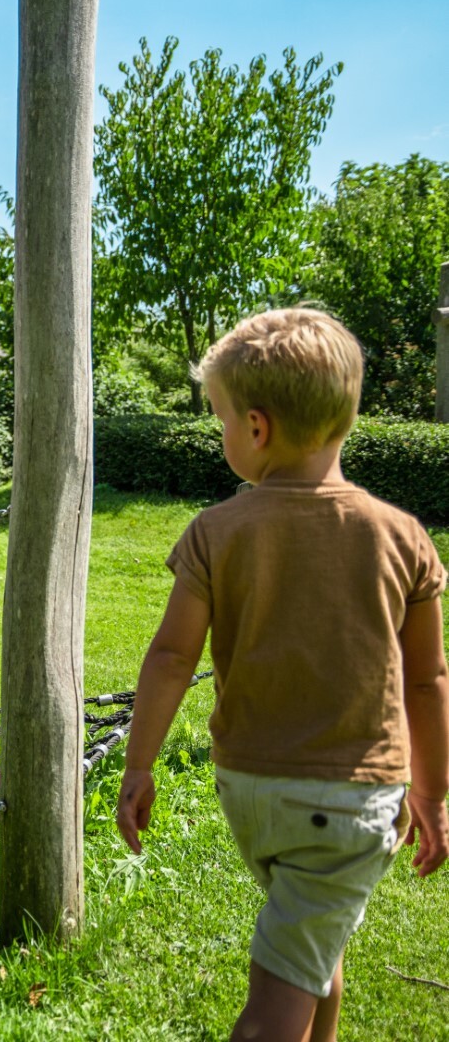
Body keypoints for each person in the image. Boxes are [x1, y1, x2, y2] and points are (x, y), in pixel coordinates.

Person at [115, 308, 448, 1042]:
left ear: (257, 428)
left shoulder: (215, 532)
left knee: (312, 953)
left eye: (222, 419)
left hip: (252, 792)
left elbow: (171, 657)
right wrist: (431, 790)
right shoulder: (402, 538)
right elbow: (427, 681)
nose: (224, 433)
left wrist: (140, 765)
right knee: (277, 1006)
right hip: (350, 800)